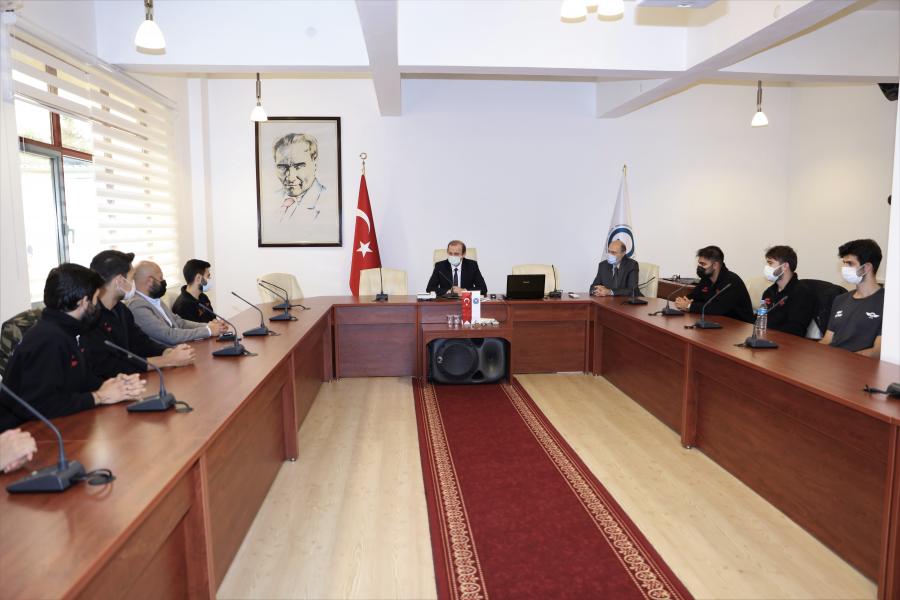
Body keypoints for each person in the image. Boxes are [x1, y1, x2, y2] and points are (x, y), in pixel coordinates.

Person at [0, 264, 146, 431]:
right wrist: (99, 397)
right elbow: (40, 405)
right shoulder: (48, 340)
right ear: (83, 302)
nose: (97, 305)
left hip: (56, 425)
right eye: (95, 299)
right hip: (26, 433)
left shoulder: (65, 331)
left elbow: (80, 381)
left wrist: (113, 385)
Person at [82, 250, 196, 381]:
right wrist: (167, 360)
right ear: (119, 281)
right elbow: (110, 366)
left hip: (130, 383)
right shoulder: (89, 317)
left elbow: (141, 342)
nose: (134, 284)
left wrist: (167, 351)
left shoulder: (121, 309)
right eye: (131, 278)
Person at [127, 261, 228, 346]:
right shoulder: (137, 306)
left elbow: (179, 322)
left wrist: (208, 326)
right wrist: (208, 331)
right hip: (166, 357)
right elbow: (169, 335)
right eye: (161, 278)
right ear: (150, 281)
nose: (164, 281)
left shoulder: (154, 299)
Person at [821, 239, 884, 358]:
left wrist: (846, 362)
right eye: (844, 263)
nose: (844, 268)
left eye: (850, 263)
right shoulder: (840, 299)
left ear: (867, 267)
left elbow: (877, 351)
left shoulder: (887, 303)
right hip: (832, 362)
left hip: (860, 365)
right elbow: (827, 340)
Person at [674, 245, 754, 323]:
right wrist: (683, 301)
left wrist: (689, 306)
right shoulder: (706, 278)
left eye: (703, 264)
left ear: (715, 265)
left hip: (740, 326)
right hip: (717, 321)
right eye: (699, 264)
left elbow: (718, 308)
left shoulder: (731, 282)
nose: (699, 267)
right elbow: (694, 296)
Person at [760, 245, 816, 337]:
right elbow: (761, 319)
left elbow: (796, 329)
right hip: (765, 339)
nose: (767, 267)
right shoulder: (768, 292)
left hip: (786, 342)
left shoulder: (802, 293)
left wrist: (769, 334)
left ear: (785, 266)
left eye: (770, 263)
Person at [171, 259, 215, 323]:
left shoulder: (203, 297)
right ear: (198, 278)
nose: (210, 279)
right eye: (208, 276)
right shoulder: (183, 307)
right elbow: (194, 329)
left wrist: (219, 324)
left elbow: (213, 319)